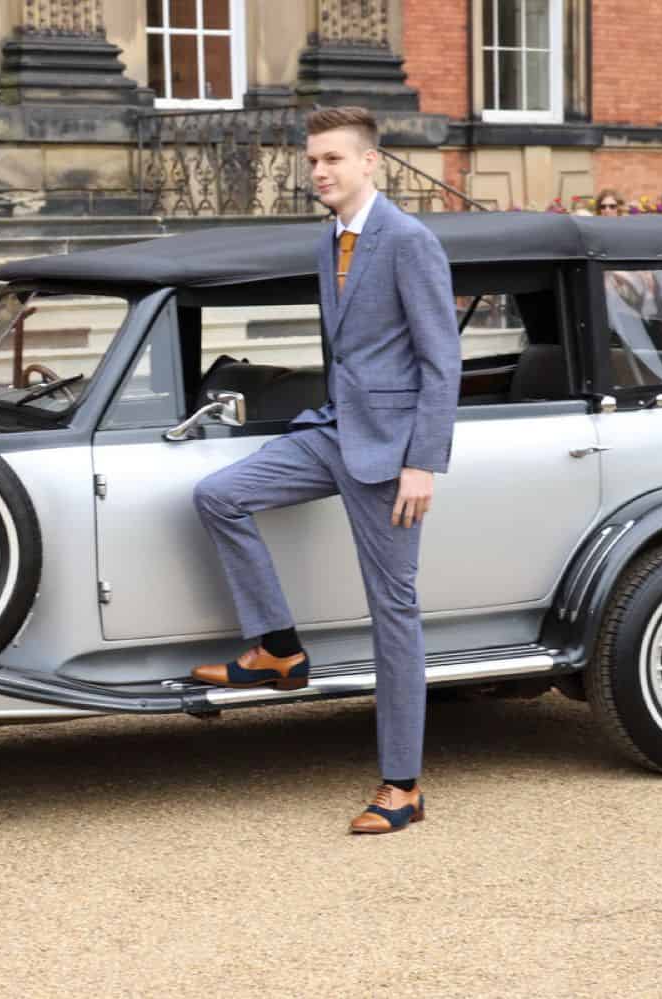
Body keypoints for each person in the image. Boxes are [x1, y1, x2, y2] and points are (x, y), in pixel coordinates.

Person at [189, 105, 460, 836]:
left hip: (391, 454)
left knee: (392, 612)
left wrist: (422, 463)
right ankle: (280, 648)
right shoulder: (330, 240)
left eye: (333, 159)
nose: (320, 172)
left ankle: (403, 785)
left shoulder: (409, 240)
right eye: (313, 161)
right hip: (334, 432)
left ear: (370, 162)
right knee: (218, 494)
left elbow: (442, 361)